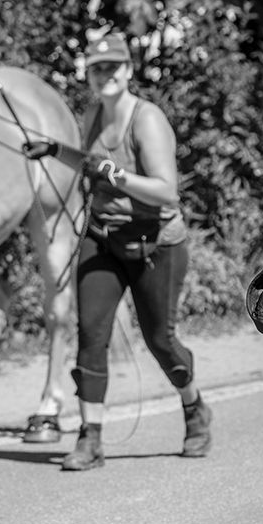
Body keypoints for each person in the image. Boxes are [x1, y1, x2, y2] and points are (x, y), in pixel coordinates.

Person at [22, 32, 211, 471]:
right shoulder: (92, 114)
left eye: (112, 67)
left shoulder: (146, 120)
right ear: (89, 75)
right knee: (91, 334)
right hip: (103, 238)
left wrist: (115, 174)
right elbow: (91, 163)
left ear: (128, 70)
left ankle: (194, 406)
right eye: (96, 68)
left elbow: (166, 192)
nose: (104, 75)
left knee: (159, 340)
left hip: (155, 243)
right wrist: (55, 150)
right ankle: (90, 439)